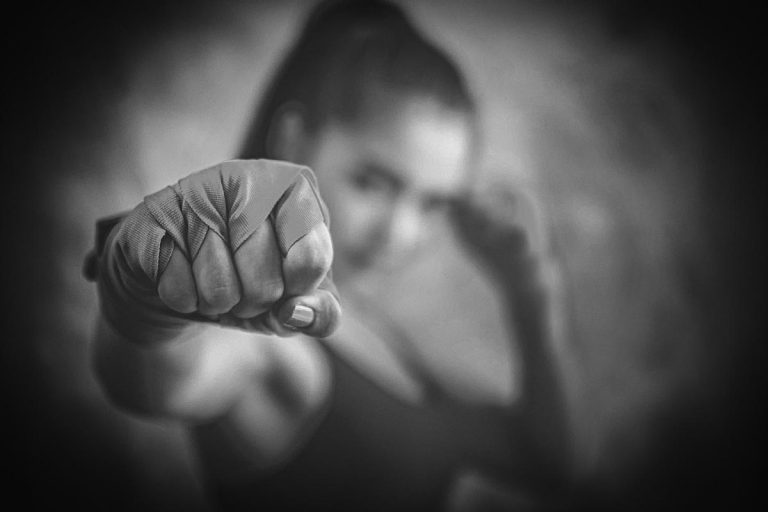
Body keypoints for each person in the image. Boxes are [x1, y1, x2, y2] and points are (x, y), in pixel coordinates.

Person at [86, 1, 574, 510]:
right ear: (294, 141)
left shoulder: (382, 336)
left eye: (432, 204)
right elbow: (162, 379)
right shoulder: (273, 343)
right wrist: (144, 301)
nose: (400, 233)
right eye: (373, 183)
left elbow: (547, 462)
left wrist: (532, 287)